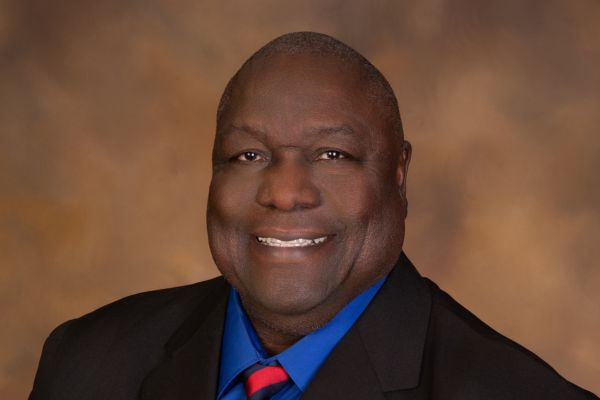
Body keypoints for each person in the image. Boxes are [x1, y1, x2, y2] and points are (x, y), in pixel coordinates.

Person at [30, 32, 597, 400]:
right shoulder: (84, 360)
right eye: (248, 155)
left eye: (332, 155)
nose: (284, 193)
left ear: (399, 175)